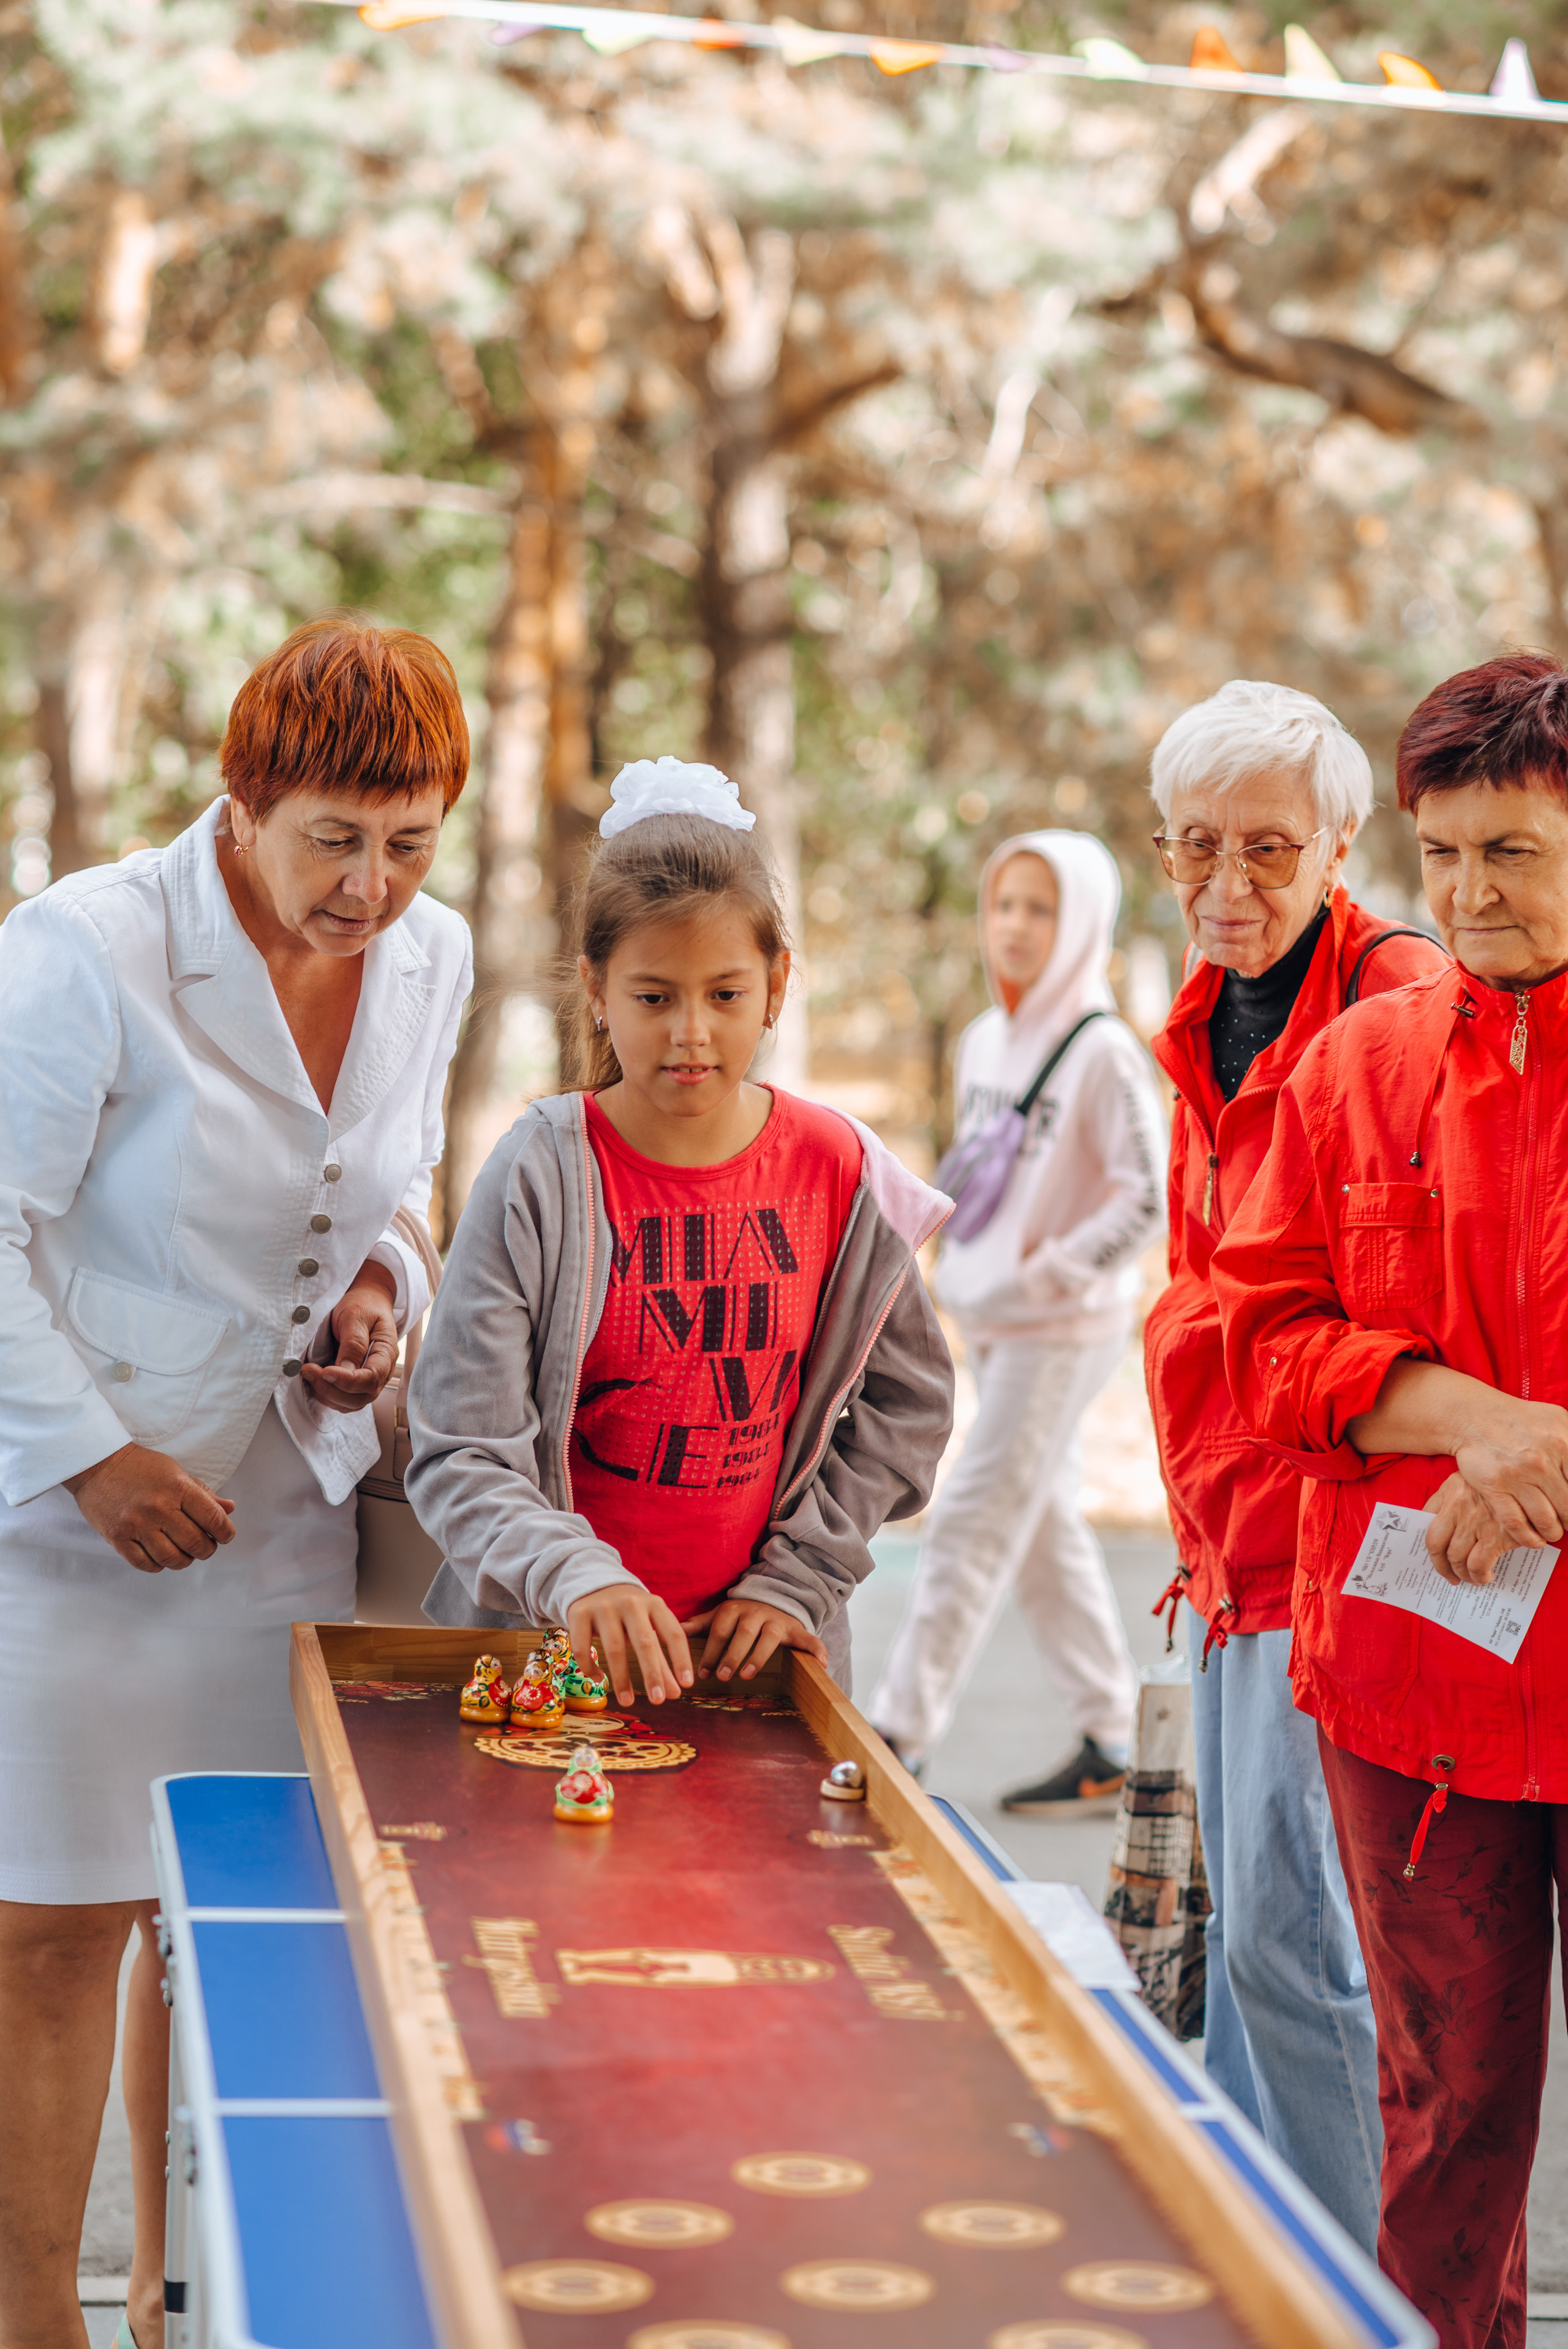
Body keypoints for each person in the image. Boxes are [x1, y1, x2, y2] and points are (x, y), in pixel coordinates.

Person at [0, 614, 472, 2349]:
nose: (372, 888)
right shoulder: (83, 950)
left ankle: (176, 2301)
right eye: (334, 839)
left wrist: (378, 1292)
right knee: (58, 1928)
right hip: (73, 1520)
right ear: (241, 797)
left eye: (412, 842)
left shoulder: (436, 961)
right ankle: (36, 2313)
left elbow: (397, 1181)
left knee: (227, 1914)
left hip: (291, 1503)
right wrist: (89, 1458)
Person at [1213, 653, 1568, 2348]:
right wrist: (1483, 1425)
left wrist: (1541, 1458)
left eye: (1513, 851)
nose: (1471, 893)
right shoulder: (1354, 1064)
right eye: (1443, 855)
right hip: (1411, 1690)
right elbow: (1265, 1339)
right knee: (1441, 2127)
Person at [407, 755, 954, 1702]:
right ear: (598, 989)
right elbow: (463, 1448)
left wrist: (800, 1581)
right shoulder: (540, 1171)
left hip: (768, 1668)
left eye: (727, 994)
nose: (690, 1032)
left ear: (778, 985)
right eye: (654, 996)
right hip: (545, 1668)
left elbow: (907, 1412)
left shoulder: (843, 1171)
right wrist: (577, 1575)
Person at [1143, 678, 1446, 2256]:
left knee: (1286, 1940)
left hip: (1340, 1520)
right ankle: (1254, 2249)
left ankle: (1352, 2281)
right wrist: (1192, 1531)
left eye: (1267, 850)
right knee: (1250, 1948)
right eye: (1195, 849)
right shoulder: (1205, 1015)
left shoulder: (1399, 1004)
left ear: (1338, 843)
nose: (1226, 887)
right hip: (1229, 1529)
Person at [868, 830, 1166, 1811]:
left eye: (1040, 909)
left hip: (1063, 1327)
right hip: (991, 1316)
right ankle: (1113, 1736)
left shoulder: (1104, 1048)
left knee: (971, 1515)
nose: (1015, 927)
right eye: (1003, 904)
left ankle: (899, 1734)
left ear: (1081, 921)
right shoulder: (984, 1042)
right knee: (1038, 1524)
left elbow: (1147, 1197)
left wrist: (1055, 1266)